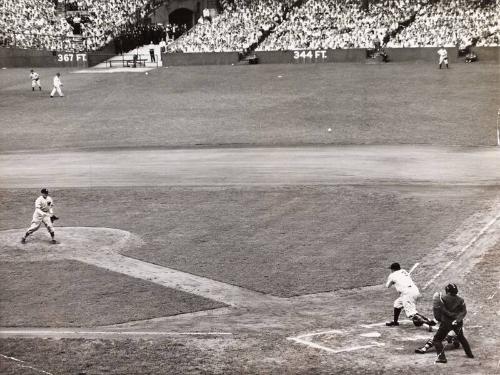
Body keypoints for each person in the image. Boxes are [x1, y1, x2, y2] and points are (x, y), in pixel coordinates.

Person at [431, 284, 474, 364]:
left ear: (447, 290)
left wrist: (451, 316)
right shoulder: (461, 300)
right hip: (458, 322)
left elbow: (443, 310)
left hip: (446, 323)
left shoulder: (443, 298)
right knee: (461, 338)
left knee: (437, 340)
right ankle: (470, 354)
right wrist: (457, 319)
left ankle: (442, 358)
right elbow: (464, 312)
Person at [385, 262, 435, 328]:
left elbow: (387, 286)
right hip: (414, 291)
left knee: (411, 314)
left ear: (393, 269)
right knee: (397, 304)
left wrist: (392, 280)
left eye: (391, 269)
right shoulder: (404, 271)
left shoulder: (392, 275)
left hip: (407, 294)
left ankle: (428, 322)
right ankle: (395, 322)